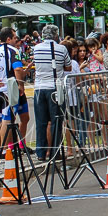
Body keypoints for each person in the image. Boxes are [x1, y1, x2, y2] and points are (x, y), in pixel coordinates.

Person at [32, 25, 71, 160]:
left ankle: (41, 152)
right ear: (56, 35)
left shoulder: (36, 49)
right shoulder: (61, 49)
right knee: (56, 120)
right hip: (55, 87)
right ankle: (55, 151)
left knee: (41, 121)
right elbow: (68, 66)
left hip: (39, 88)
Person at [0, 27, 29, 150]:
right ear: (8, 39)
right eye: (14, 37)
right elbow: (17, 69)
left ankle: (0, 149)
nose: (16, 40)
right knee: (7, 119)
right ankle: (6, 150)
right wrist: (21, 85)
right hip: (9, 90)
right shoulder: (13, 50)